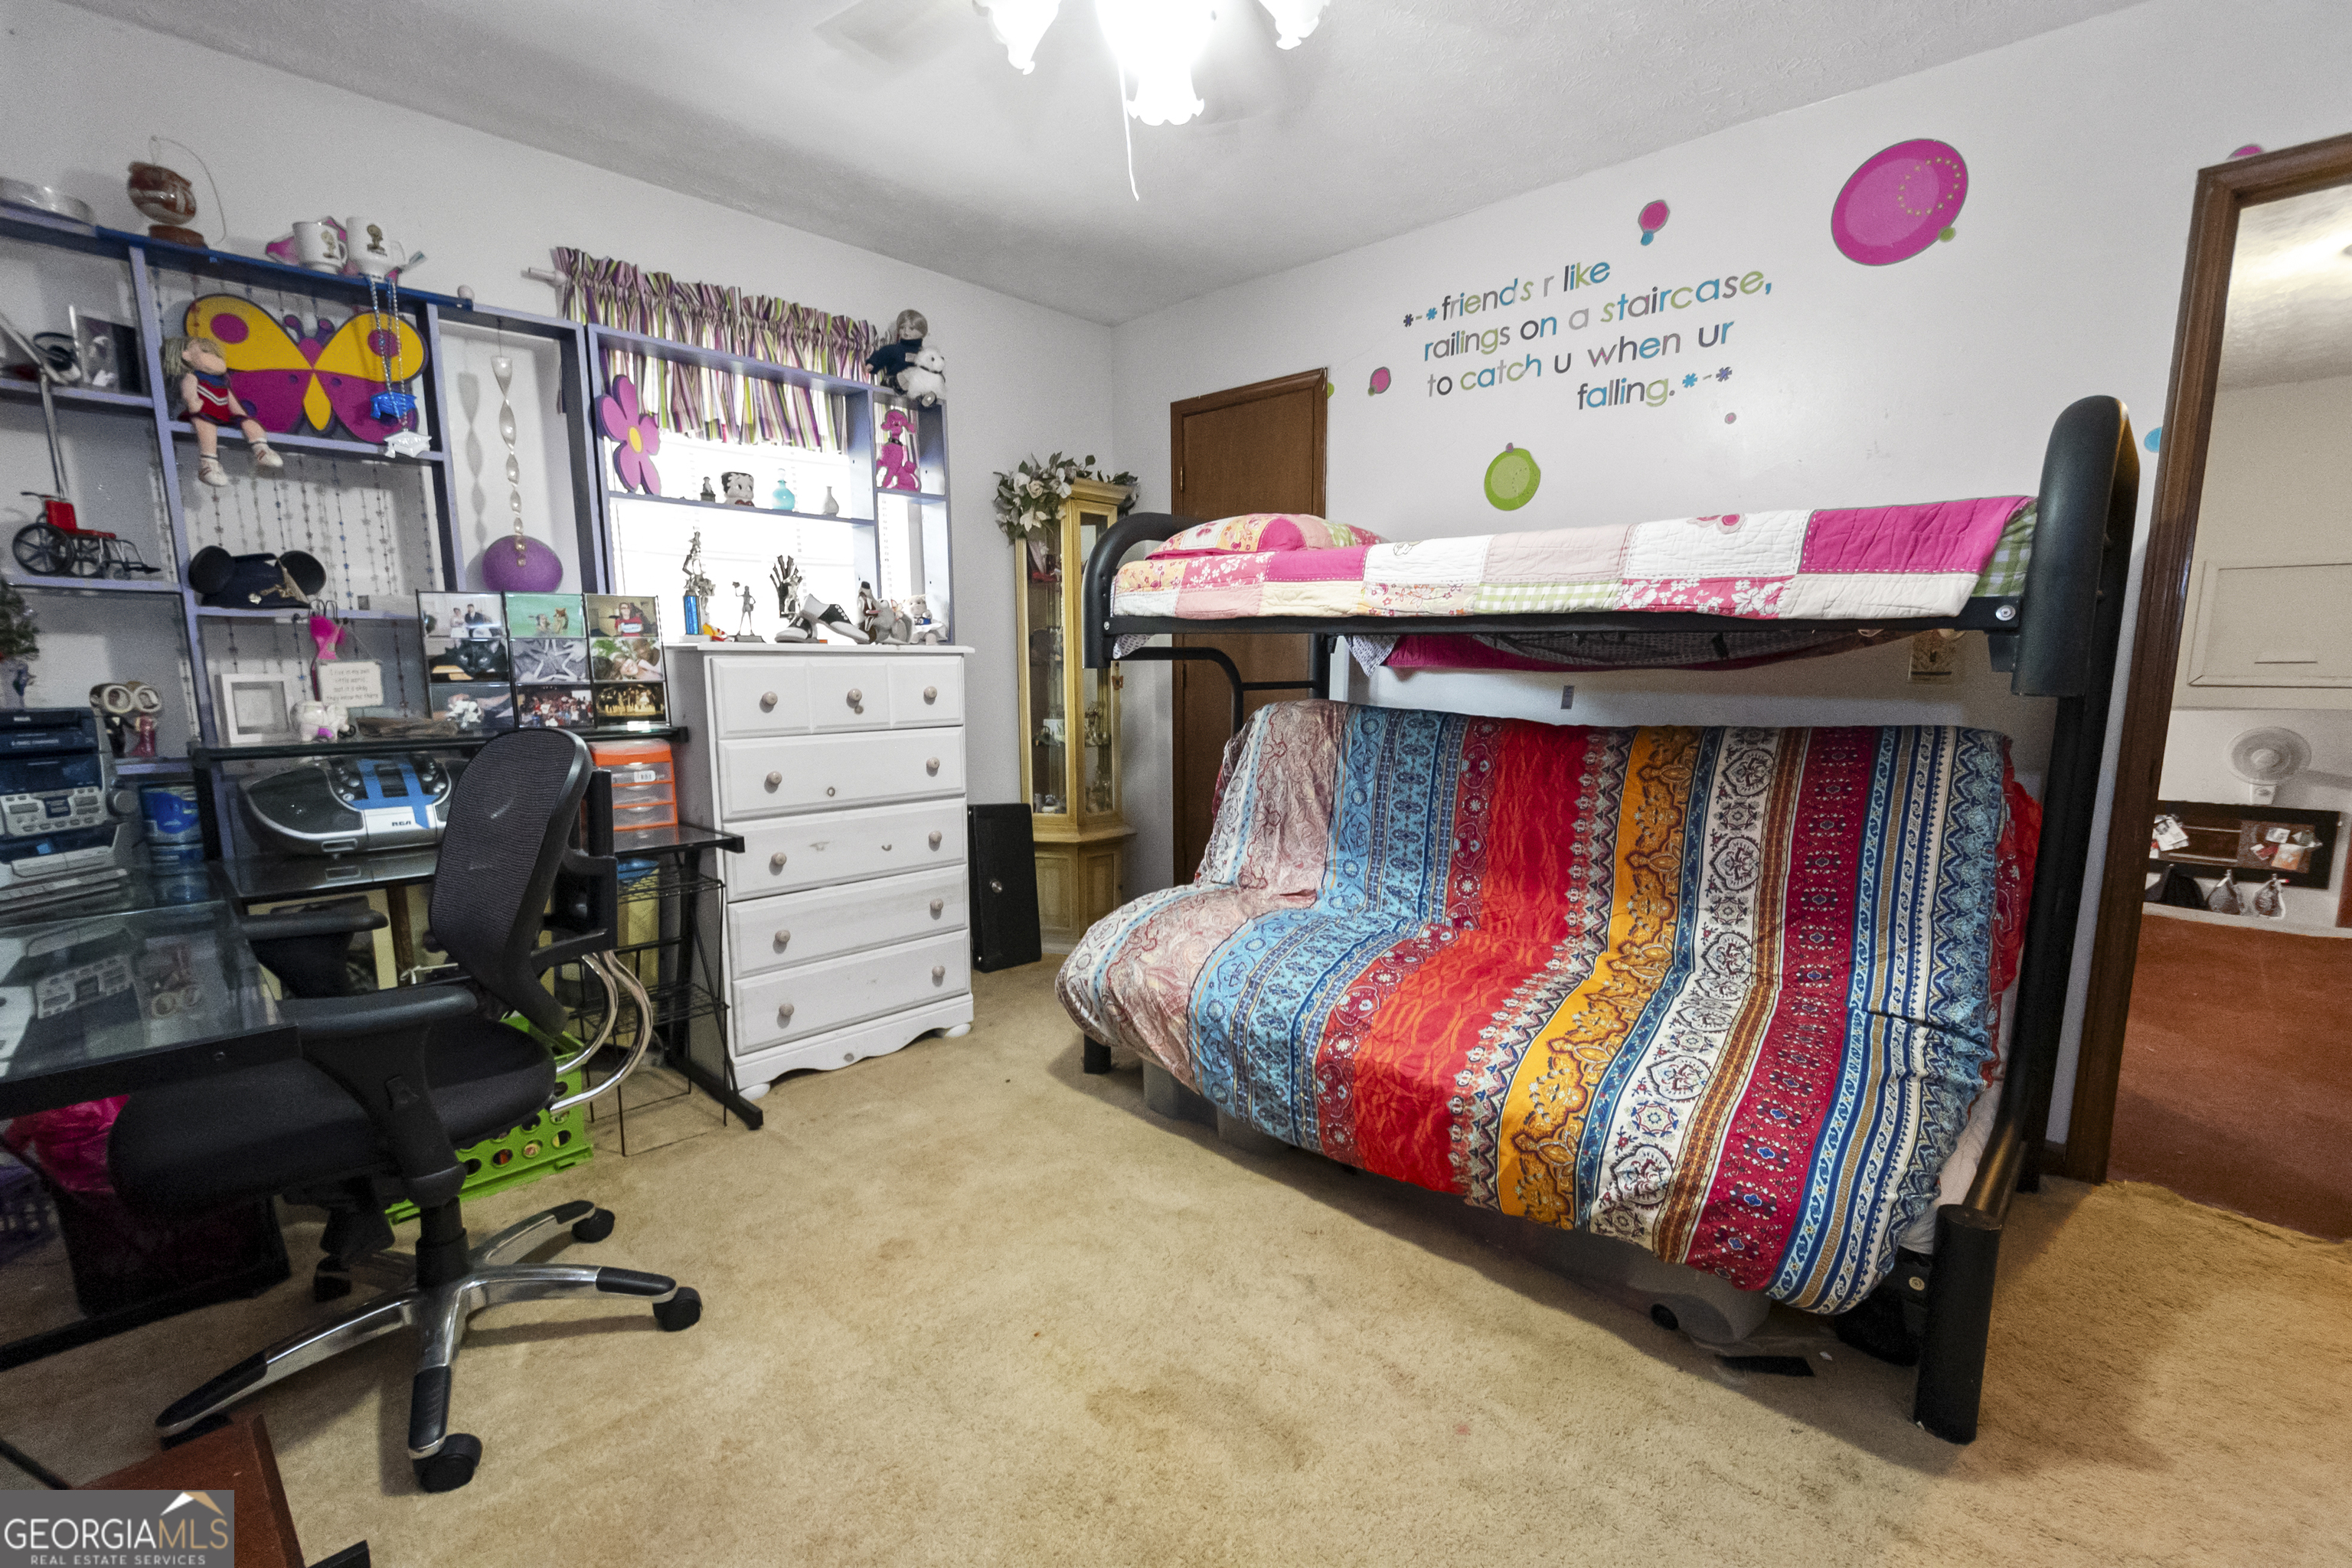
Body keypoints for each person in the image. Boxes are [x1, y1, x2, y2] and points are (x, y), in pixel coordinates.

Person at [168, 335, 283, 487]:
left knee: (250, 423)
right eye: (206, 352)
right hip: (204, 413)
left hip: (223, 416)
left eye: (216, 354)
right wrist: (193, 402)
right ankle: (208, 464)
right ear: (187, 355)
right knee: (206, 427)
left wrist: (242, 417)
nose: (214, 358)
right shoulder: (192, 377)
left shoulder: (222, 383)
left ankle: (262, 450)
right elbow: (189, 393)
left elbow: (233, 405)